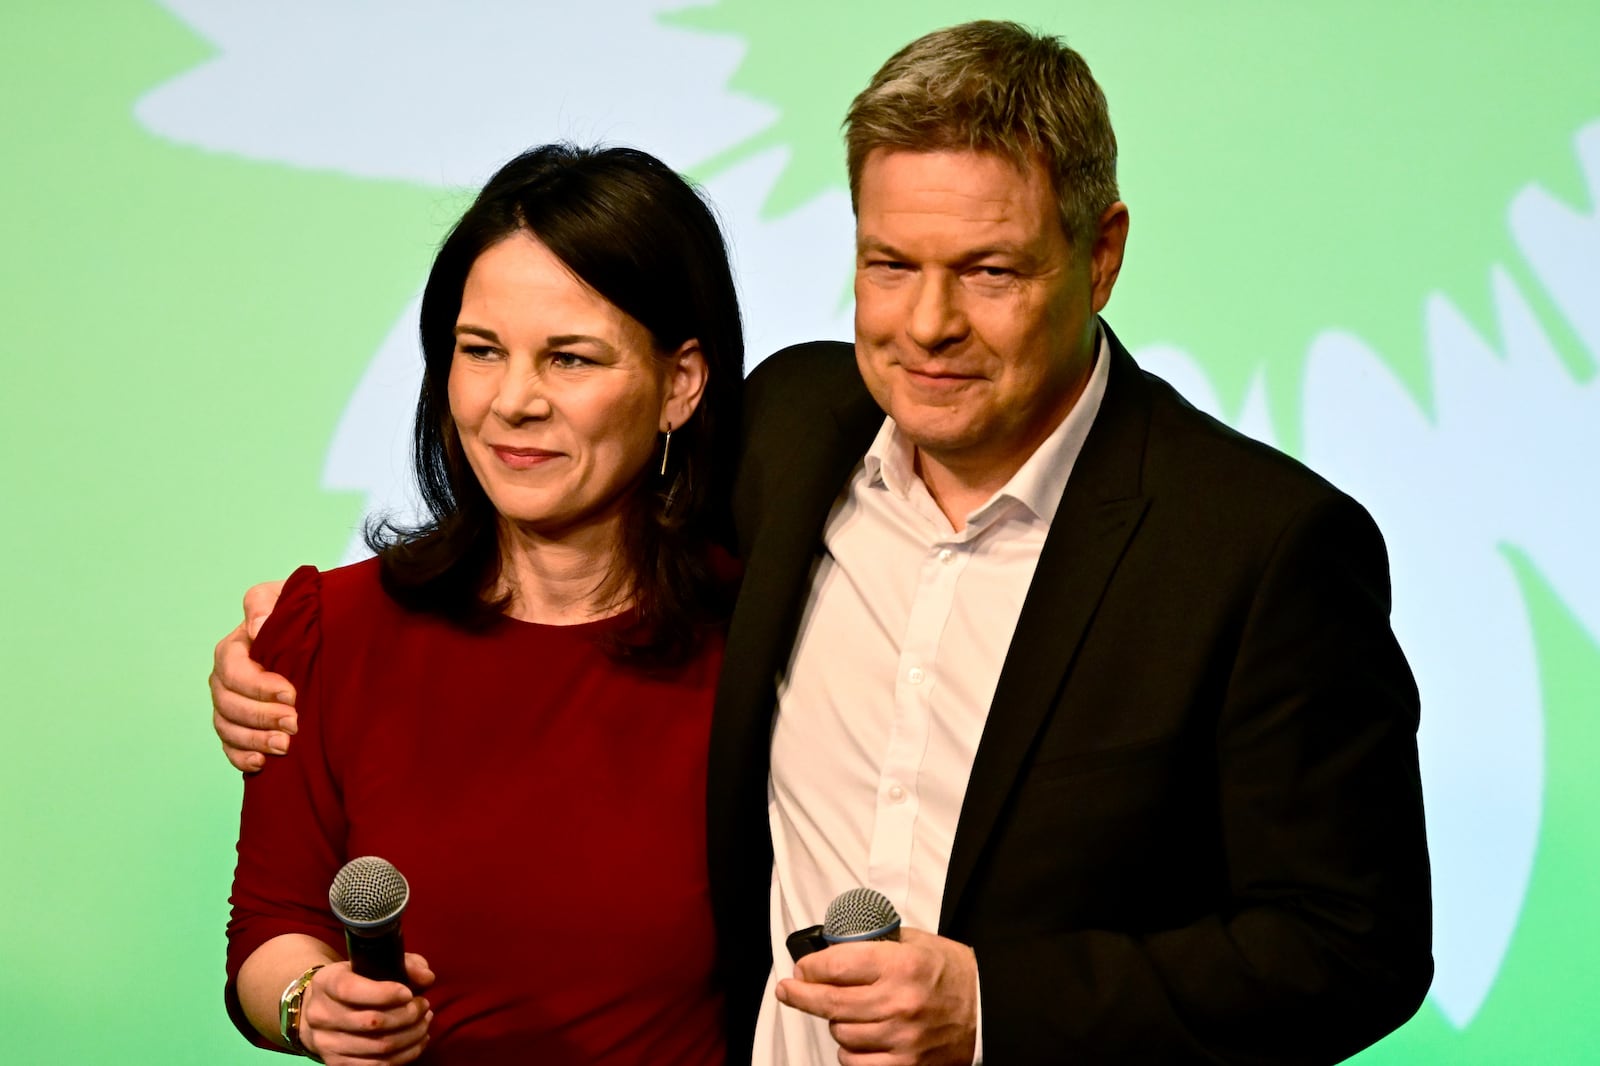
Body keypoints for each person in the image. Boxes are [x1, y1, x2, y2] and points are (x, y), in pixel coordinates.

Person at [213, 21, 1433, 1065]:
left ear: (1100, 253)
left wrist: (994, 1006)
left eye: (989, 270)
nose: (928, 324)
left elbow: (1353, 948)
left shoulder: (1261, 544)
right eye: (888, 264)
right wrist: (278, 653)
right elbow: (570, 527)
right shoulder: (792, 430)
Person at [220, 143, 744, 1066]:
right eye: (480, 351)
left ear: (681, 384)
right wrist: (311, 1002)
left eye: (570, 360)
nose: (512, 402)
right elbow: (272, 925)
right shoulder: (326, 632)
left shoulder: (768, 636)